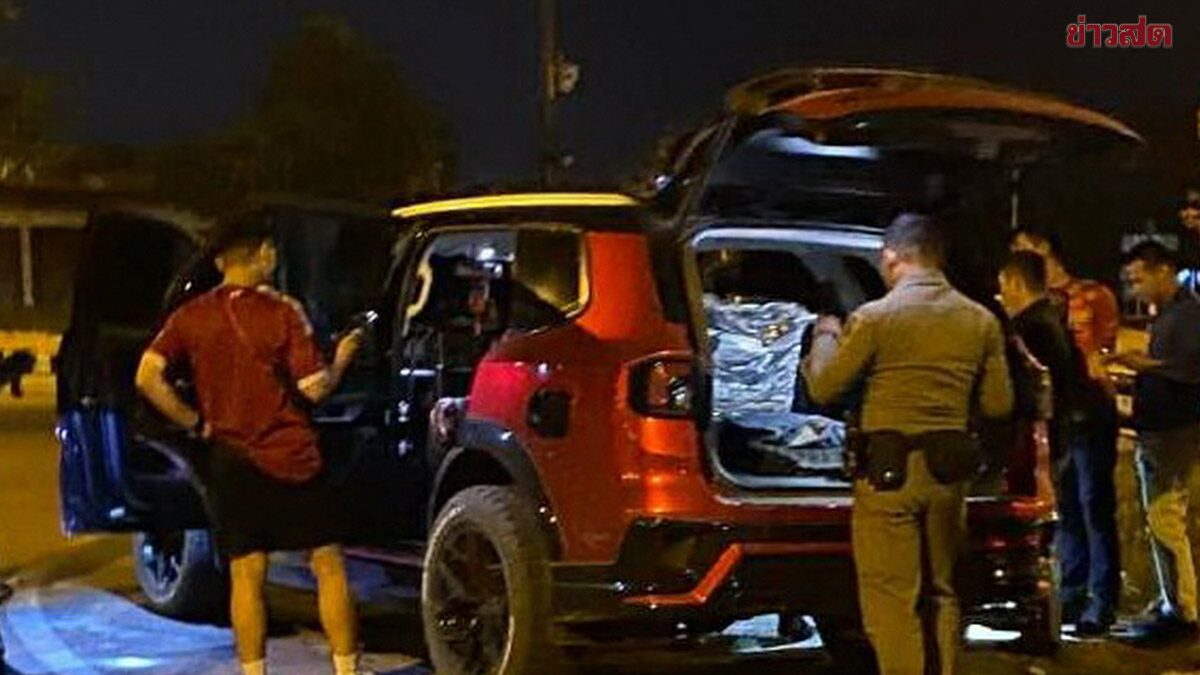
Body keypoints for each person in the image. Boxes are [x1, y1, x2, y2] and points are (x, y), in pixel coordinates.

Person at [135, 214, 367, 675]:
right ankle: (346, 669)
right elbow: (315, 389)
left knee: (246, 572)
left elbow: (147, 375)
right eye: (271, 250)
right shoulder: (282, 312)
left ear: (221, 262)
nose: (274, 257)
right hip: (292, 456)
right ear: (262, 254)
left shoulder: (191, 316)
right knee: (327, 564)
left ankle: (254, 671)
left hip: (231, 462)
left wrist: (195, 422)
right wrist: (342, 359)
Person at [805, 213, 1013, 675]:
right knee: (942, 590)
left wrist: (826, 332)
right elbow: (999, 404)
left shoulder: (875, 317)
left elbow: (824, 387)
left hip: (888, 474)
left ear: (891, 258)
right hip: (949, 474)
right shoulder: (980, 320)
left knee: (891, 598)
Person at [1011, 225, 1121, 631]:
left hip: (1090, 411)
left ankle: (1102, 601)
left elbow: (1103, 352)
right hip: (1060, 416)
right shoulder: (1037, 303)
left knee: (1095, 505)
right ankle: (1073, 595)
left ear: (1044, 249)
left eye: (1023, 249)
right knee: (1069, 507)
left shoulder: (1090, 295)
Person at [1109, 240, 1200, 645]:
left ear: (1163, 270)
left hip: (1173, 431)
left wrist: (1141, 365)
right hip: (1161, 428)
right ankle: (1174, 604)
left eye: (1138, 278)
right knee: (1163, 516)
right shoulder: (1169, 315)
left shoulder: (1187, 315)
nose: (1135, 289)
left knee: (1165, 516)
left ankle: (1181, 611)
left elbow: (1187, 370)